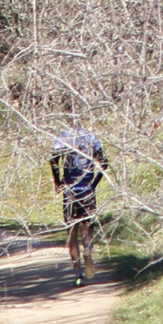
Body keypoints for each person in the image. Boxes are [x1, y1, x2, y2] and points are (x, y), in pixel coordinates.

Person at [50, 122, 108, 286]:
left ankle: (78, 274)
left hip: (70, 190)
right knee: (87, 227)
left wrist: (58, 181)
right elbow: (104, 163)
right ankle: (88, 251)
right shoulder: (91, 137)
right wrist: (94, 183)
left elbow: (53, 160)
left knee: (71, 232)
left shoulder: (62, 137)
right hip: (87, 190)